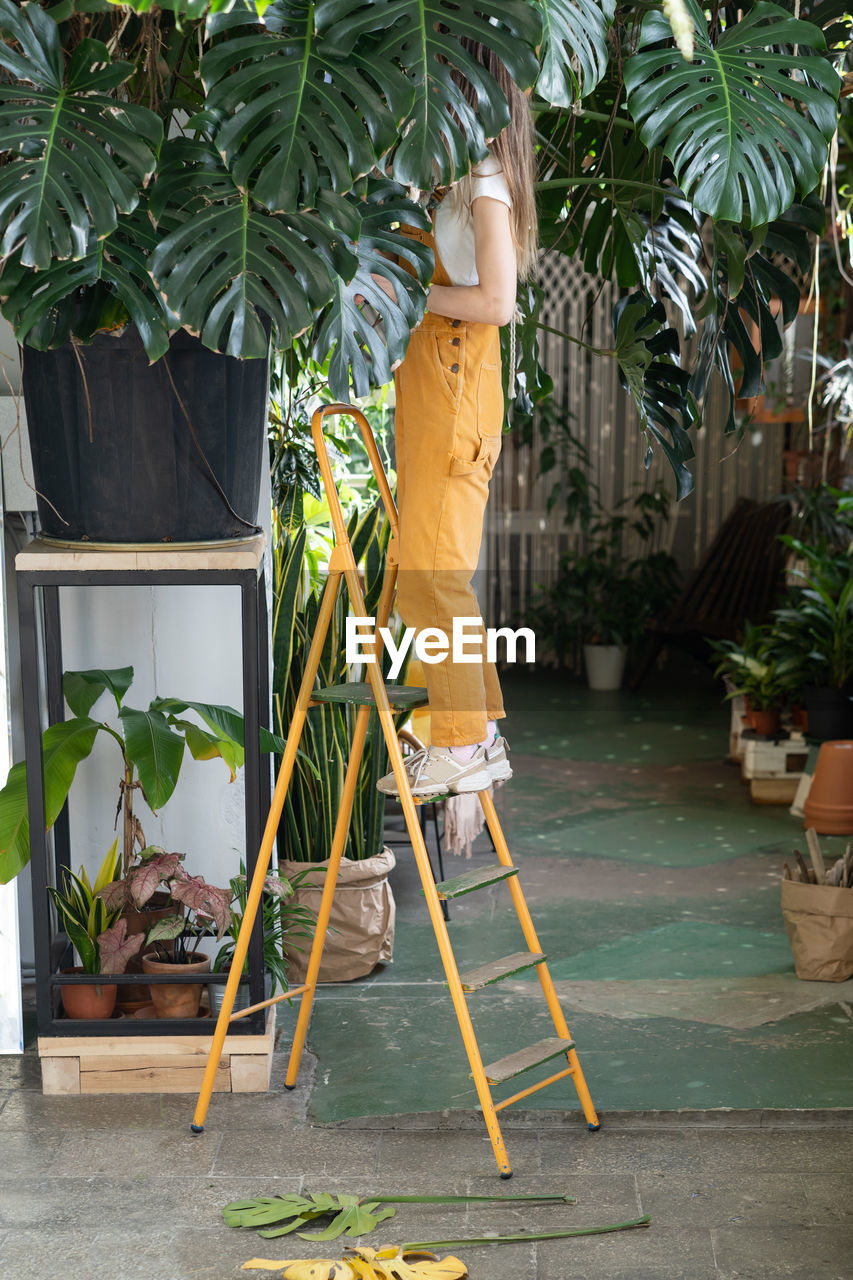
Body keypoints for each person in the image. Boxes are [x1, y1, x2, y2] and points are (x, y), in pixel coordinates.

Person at [376, 42, 538, 800]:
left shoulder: (485, 180)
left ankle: (467, 741)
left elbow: (497, 304)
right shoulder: (457, 171)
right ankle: (461, 734)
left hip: (452, 376)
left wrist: (408, 297)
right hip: (433, 383)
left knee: (437, 576)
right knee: (426, 573)